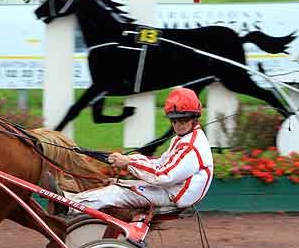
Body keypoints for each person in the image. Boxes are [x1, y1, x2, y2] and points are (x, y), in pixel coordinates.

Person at [65, 87, 213, 213]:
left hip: (174, 195)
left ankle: (68, 207)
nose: (178, 125)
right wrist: (130, 160)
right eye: (174, 120)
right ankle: (70, 201)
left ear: (195, 118)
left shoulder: (191, 146)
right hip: (171, 188)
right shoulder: (183, 138)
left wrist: (128, 162)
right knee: (117, 184)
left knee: (117, 192)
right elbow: (161, 164)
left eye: (183, 120)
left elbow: (162, 176)